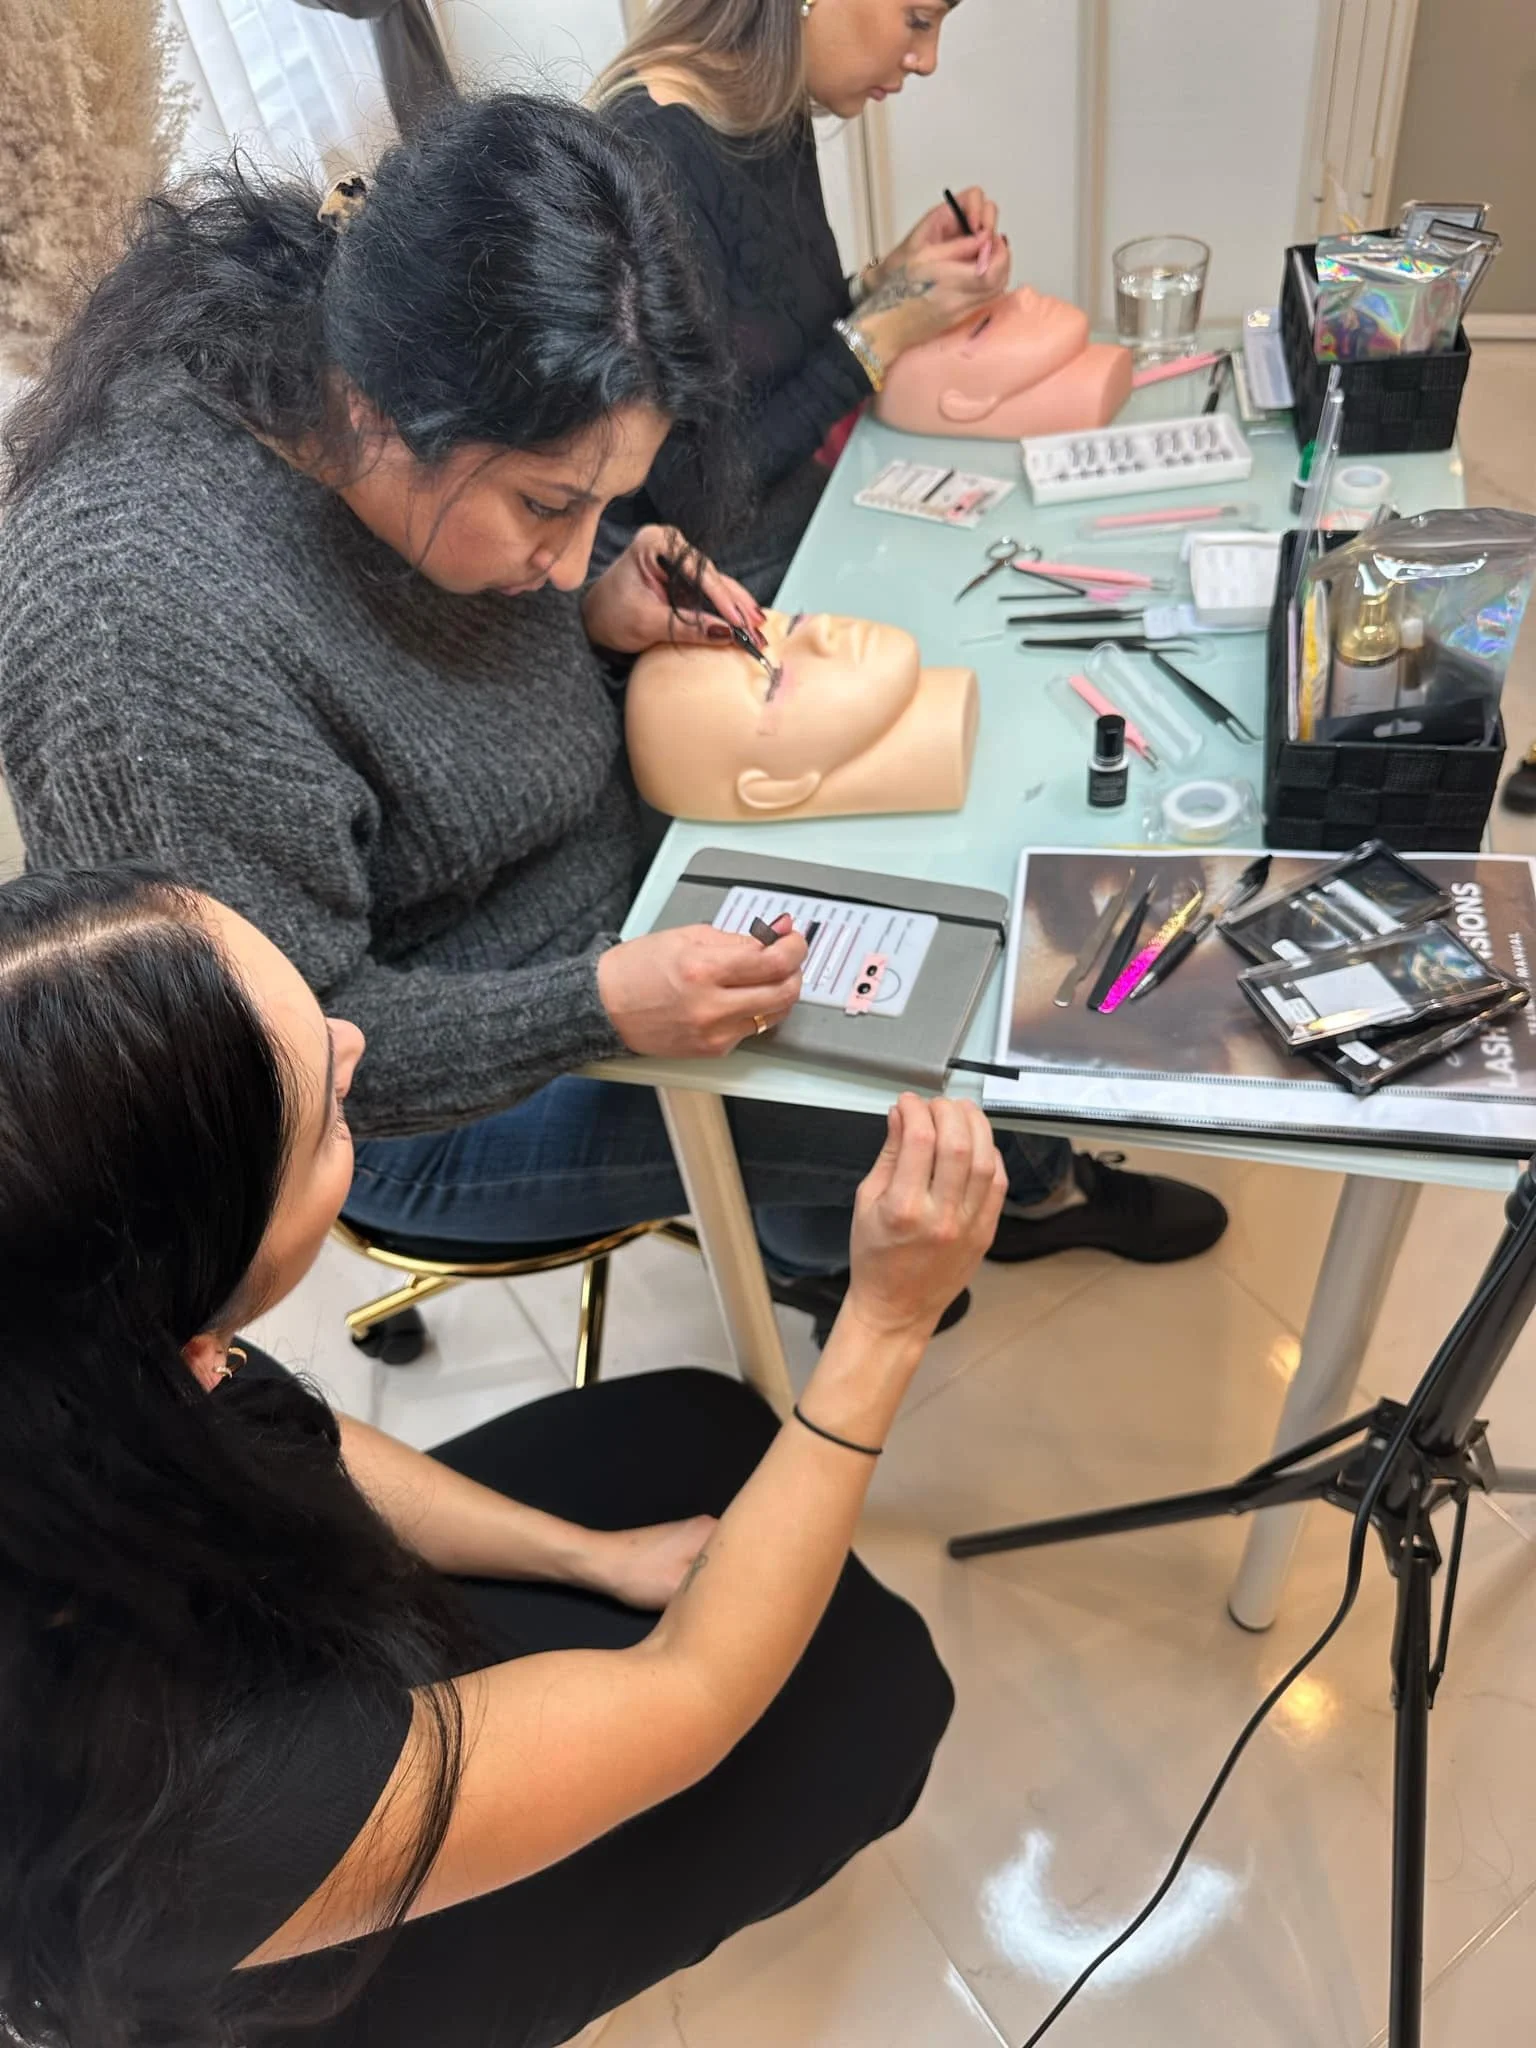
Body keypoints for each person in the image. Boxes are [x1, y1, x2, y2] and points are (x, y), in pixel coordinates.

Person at [0, 93, 1226, 1354]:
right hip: (419, 1102)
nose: (568, 551)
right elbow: (290, 1069)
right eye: (548, 507)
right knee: (936, 1087)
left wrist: (603, 591)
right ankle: (1015, 1181)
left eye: (604, 503)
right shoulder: (138, 623)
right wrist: (596, 1009)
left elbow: (468, 630)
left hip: (617, 902)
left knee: (946, 929)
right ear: (382, 411)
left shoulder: (369, 363)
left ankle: (812, 1219)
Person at [0, 863, 984, 2048]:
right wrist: (884, 1323)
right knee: (880, 1688)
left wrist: (590, 1557)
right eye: (328, 1114)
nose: (355, 1041)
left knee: (692, 1426)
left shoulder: (79, 1366)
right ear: (177, 1309)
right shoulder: (177, 1784)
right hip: (313, 1957)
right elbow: (693, 1693)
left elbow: (287, 1441)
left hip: (280, 1653)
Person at [592, 0, 1010, 597]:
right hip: (724, 595)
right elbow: (700, 495)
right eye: (918, 18)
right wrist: (883, 333)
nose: (928, 61)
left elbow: (773, 349)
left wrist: (888, 279)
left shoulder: (766, 108)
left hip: (809, 525)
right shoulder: (648, 155)